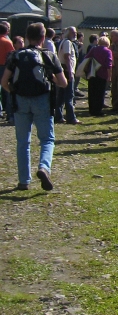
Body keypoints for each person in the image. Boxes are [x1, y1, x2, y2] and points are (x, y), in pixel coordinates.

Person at [0, 22, 69, 191]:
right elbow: (63, 83)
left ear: (26, 37)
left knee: (23, 142)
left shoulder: (15, 55)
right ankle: (44, 167)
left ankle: (24, 181)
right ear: (43, 38)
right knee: (47, 139)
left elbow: (4, 82)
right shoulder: (48, 55)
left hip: (20, 101)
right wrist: (51, 78)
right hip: (42, 100)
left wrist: (14, 92)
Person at [55, 26, 81, 125]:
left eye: (75, 32)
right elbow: (67, 57)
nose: (75, 34)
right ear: (67, 33)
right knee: (69, 95)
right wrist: (70, 72)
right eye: (73, 32)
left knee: (61, 95)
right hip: (67, 70)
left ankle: (58, 116)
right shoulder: (67, 43)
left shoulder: (63, 42)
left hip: (64, 70)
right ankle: (71, 117)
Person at [87, 36, 113, 116]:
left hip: (92, 73)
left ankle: (91, 110)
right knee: (100, 93)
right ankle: (98, 111)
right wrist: (109, 76)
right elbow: (109, 65)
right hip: (102, 74)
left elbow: (87, 58)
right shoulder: (107, 51)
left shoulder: (93, 49)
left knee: (92, 92)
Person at [0, 22, 15, 123]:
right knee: (8, 90)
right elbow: (12, 56)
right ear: (6, 31)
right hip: (4, 67)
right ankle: (10, 114)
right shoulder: (7, 42)